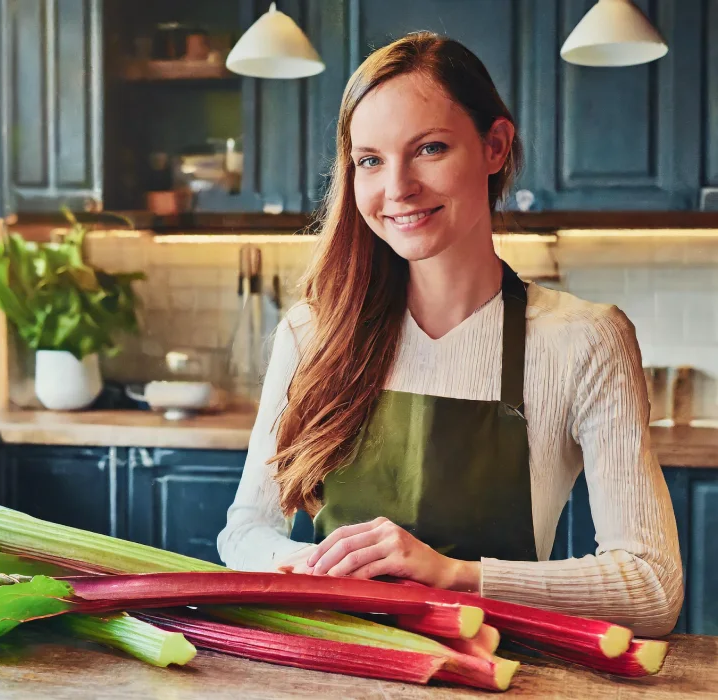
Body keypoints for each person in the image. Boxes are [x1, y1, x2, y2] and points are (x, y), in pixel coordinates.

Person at [216, 31, 682, 637]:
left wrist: (454, 576)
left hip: (504, 669)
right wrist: (311, 568)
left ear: (495, 146)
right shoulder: (313, 333)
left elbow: (652, 586)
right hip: (342, 669)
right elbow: (245, 531)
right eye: (370, 160)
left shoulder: (585, 341)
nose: (397, 188)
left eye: (429, 148)